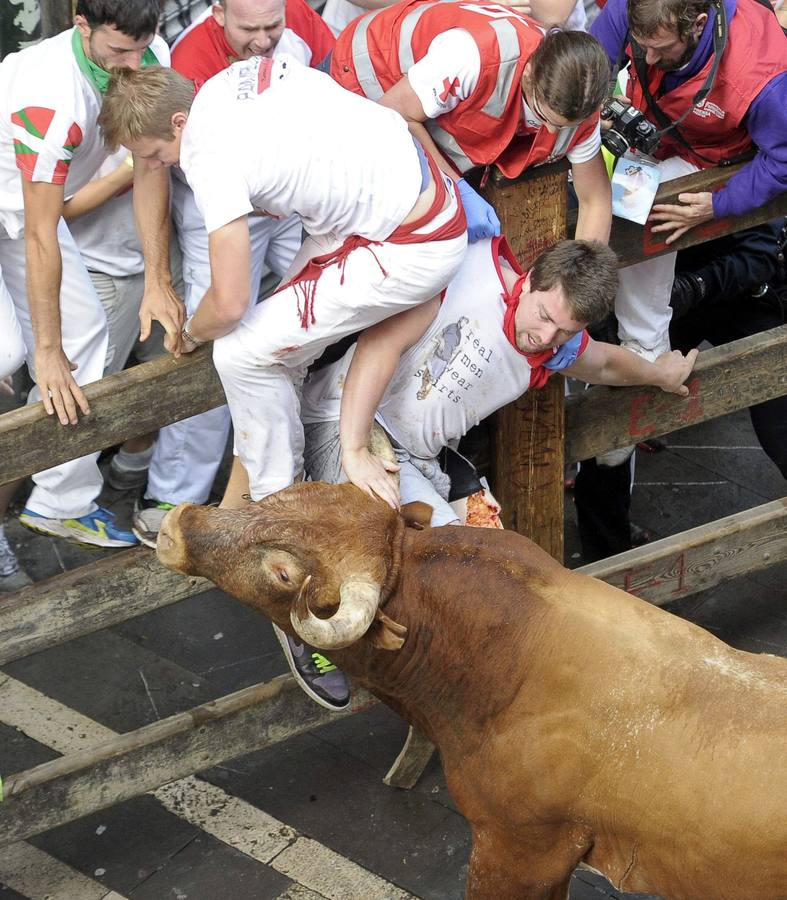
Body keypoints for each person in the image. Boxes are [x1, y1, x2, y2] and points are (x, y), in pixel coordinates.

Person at [99, 58, 466, 709]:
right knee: (271, 350)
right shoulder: (227, 82)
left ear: (179, 123)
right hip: (397, 197)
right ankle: (254, 503)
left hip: (406, 240)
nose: (157, 167)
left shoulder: (209, 154)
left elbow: (231, 299)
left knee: (239, 352)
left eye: (155, 154)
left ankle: (281, 538)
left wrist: (190, 334)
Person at [130, 0, 336, 547]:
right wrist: (160, 278)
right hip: (216, 206)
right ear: (218, 12)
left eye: (274, 26)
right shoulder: (192, 57)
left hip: (290, 198)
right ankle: (172, 494)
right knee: (209, 338)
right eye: (250, 29)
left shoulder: (303, 22)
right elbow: (154, 163)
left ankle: (294, 466)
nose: (265, 40)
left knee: (310, 316)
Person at [300, 237, 699, 514]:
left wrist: (660, 374)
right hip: (347, 420)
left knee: (481, 561)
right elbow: (378, 346)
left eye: (565, 331)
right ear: (527, 283)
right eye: (545, 316)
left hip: (418, 457)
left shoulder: (555, 348)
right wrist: (354, 451)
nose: (546, 337)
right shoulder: (466, 276)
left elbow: (606, 363)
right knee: (422, 561)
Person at [0, 0, 178, 549]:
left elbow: (150, 164)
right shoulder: (51, 97)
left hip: (24, 215)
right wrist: (44, 352)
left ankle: (60, 502)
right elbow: (41, 231)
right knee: (11, 355)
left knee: (87, 336)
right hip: (25, 212)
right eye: (117, 50)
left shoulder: (149, 52)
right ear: (82, 24)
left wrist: (157, 278)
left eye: (139, 48)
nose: (130, 64)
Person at [574, 218, 787, 562]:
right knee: (608, 424)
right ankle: (604, 558)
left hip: (737, 290)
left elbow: (760, 252)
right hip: (652, 303)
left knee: (780, 415)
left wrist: (692, 288)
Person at [591, 0, 787, 362]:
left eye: (661, 49)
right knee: (613, 202)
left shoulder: (762, 76)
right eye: (641, 45)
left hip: (714, 154)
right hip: (653, 129)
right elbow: (589, 61)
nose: (648, 58)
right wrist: (599, 100)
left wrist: (720, 203)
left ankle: (644, 348)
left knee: (640, 205)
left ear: (698, 24)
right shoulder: (636, 7)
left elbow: (783, 160)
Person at [329, 1, 612, 244]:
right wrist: (456, 189)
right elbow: (393, 116)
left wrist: (580, 283)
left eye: (563, 126)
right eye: (544, 117)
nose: (551, 132)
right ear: (528, 76)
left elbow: (594, 201)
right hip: (368, 74)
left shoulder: (581, 98)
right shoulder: (474, 57)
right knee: (355, 214)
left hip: (427, 107)